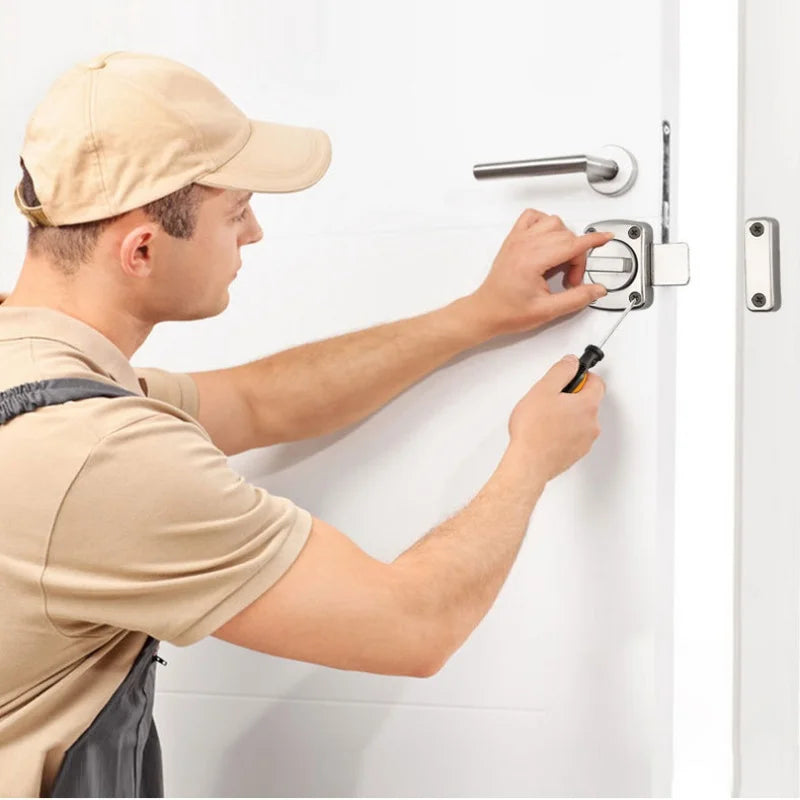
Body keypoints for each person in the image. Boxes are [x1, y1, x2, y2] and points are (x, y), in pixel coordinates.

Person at [0, 50, 610, 797]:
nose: (253, 232)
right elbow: (412, 625)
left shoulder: (36, 381)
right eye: (235, 211)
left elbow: (262, 402)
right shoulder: (98, 457)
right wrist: (532, 457)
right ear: (143, 249)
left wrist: (477, 315)